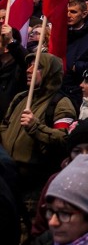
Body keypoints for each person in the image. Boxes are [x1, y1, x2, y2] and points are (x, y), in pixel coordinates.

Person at [0, 53, 76, 223]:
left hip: (34, 187)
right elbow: (4, 126)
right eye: (29, 65)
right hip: (9, 179)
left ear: (50, 72)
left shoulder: (61, 103)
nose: (29, 70)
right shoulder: (20, 98)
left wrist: (35, 127)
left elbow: (64, 139)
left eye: (37, 67)